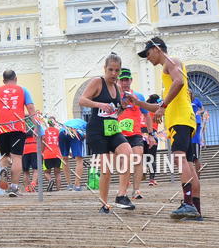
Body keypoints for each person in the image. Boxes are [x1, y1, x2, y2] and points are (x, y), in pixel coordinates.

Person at [136, 37, 201, 220]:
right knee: (189, 164)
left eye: (148, 53)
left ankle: (188, 204)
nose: (147, 57)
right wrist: (138, 103)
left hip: (180, 119)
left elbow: (178, 82)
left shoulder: (171, 62)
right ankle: (196, 209)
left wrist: (163, 106)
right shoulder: (168, 71)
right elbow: (158, 107)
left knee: (179, 158)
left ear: (157, 49)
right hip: (183, 119)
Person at [79, 53, 135, 214]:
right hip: (97, 131)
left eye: (117, 70)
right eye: (110, 70)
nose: (113, 73)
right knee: (106, 168)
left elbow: (115, 113)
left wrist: (122, 107)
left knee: (128, 153)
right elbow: (82, 100)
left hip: (112, 129)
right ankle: (104, 204)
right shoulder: (98, 82)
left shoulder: (117, 88)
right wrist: (99, 104)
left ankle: (121, 195)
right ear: (105, 68)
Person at [0, 70, 36, 197]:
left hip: (2, 128)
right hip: (17, 127)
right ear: (15, 79)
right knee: (17, 157)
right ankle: (13, 187)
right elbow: (31, 108)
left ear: (3, 80)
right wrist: (37, 125)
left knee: (5, 155)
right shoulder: (23, 90)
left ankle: (4, 169)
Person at [117, 68, 154, 200]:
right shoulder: (115, 96)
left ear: (131, 80)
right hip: (119, 134)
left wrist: (150, 134)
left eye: (127, 80)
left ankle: (136, 190)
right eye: (122, 80)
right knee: (123, 161)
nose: (124, 83)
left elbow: (147, 115)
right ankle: (124, 187)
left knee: (138, 159)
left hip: (135, 133)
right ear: (118, 81)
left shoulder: (139, 96)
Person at [59, 117, 87, 191]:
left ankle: (69, 185)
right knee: (79, 159)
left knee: (64, 158)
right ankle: (77, 185)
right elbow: (86, 136)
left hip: (62, 132)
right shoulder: (87, 125)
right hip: (75, 131)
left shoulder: (72, 122)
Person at [143, 94, 161, 186]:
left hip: (141, 134)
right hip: (152, 134)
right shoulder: (157, 109)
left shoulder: (144, 108)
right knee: (152, 157)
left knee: (141, 156)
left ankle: (141, 173)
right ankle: (152, 179)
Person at [42, 117, 63, 191]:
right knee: (58, 173)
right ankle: (58, 190)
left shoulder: (44, 132)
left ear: (48, 123)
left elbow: (43, 142)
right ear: (55, 122)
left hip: (47, 154)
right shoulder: (58, 131)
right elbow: (61, 143)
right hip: (57, 153)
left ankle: (50, 180)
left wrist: (42, 152)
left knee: (46, 173)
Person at [190, 91, 205, 179]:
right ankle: (192, 176)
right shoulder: (185, 101)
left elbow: (202, 109)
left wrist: (199, 112)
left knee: (196, 158)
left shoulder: (196, 100)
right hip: (188, 122)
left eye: (190, 93)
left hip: (195, 139)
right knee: (189, 159)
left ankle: (197, 176)